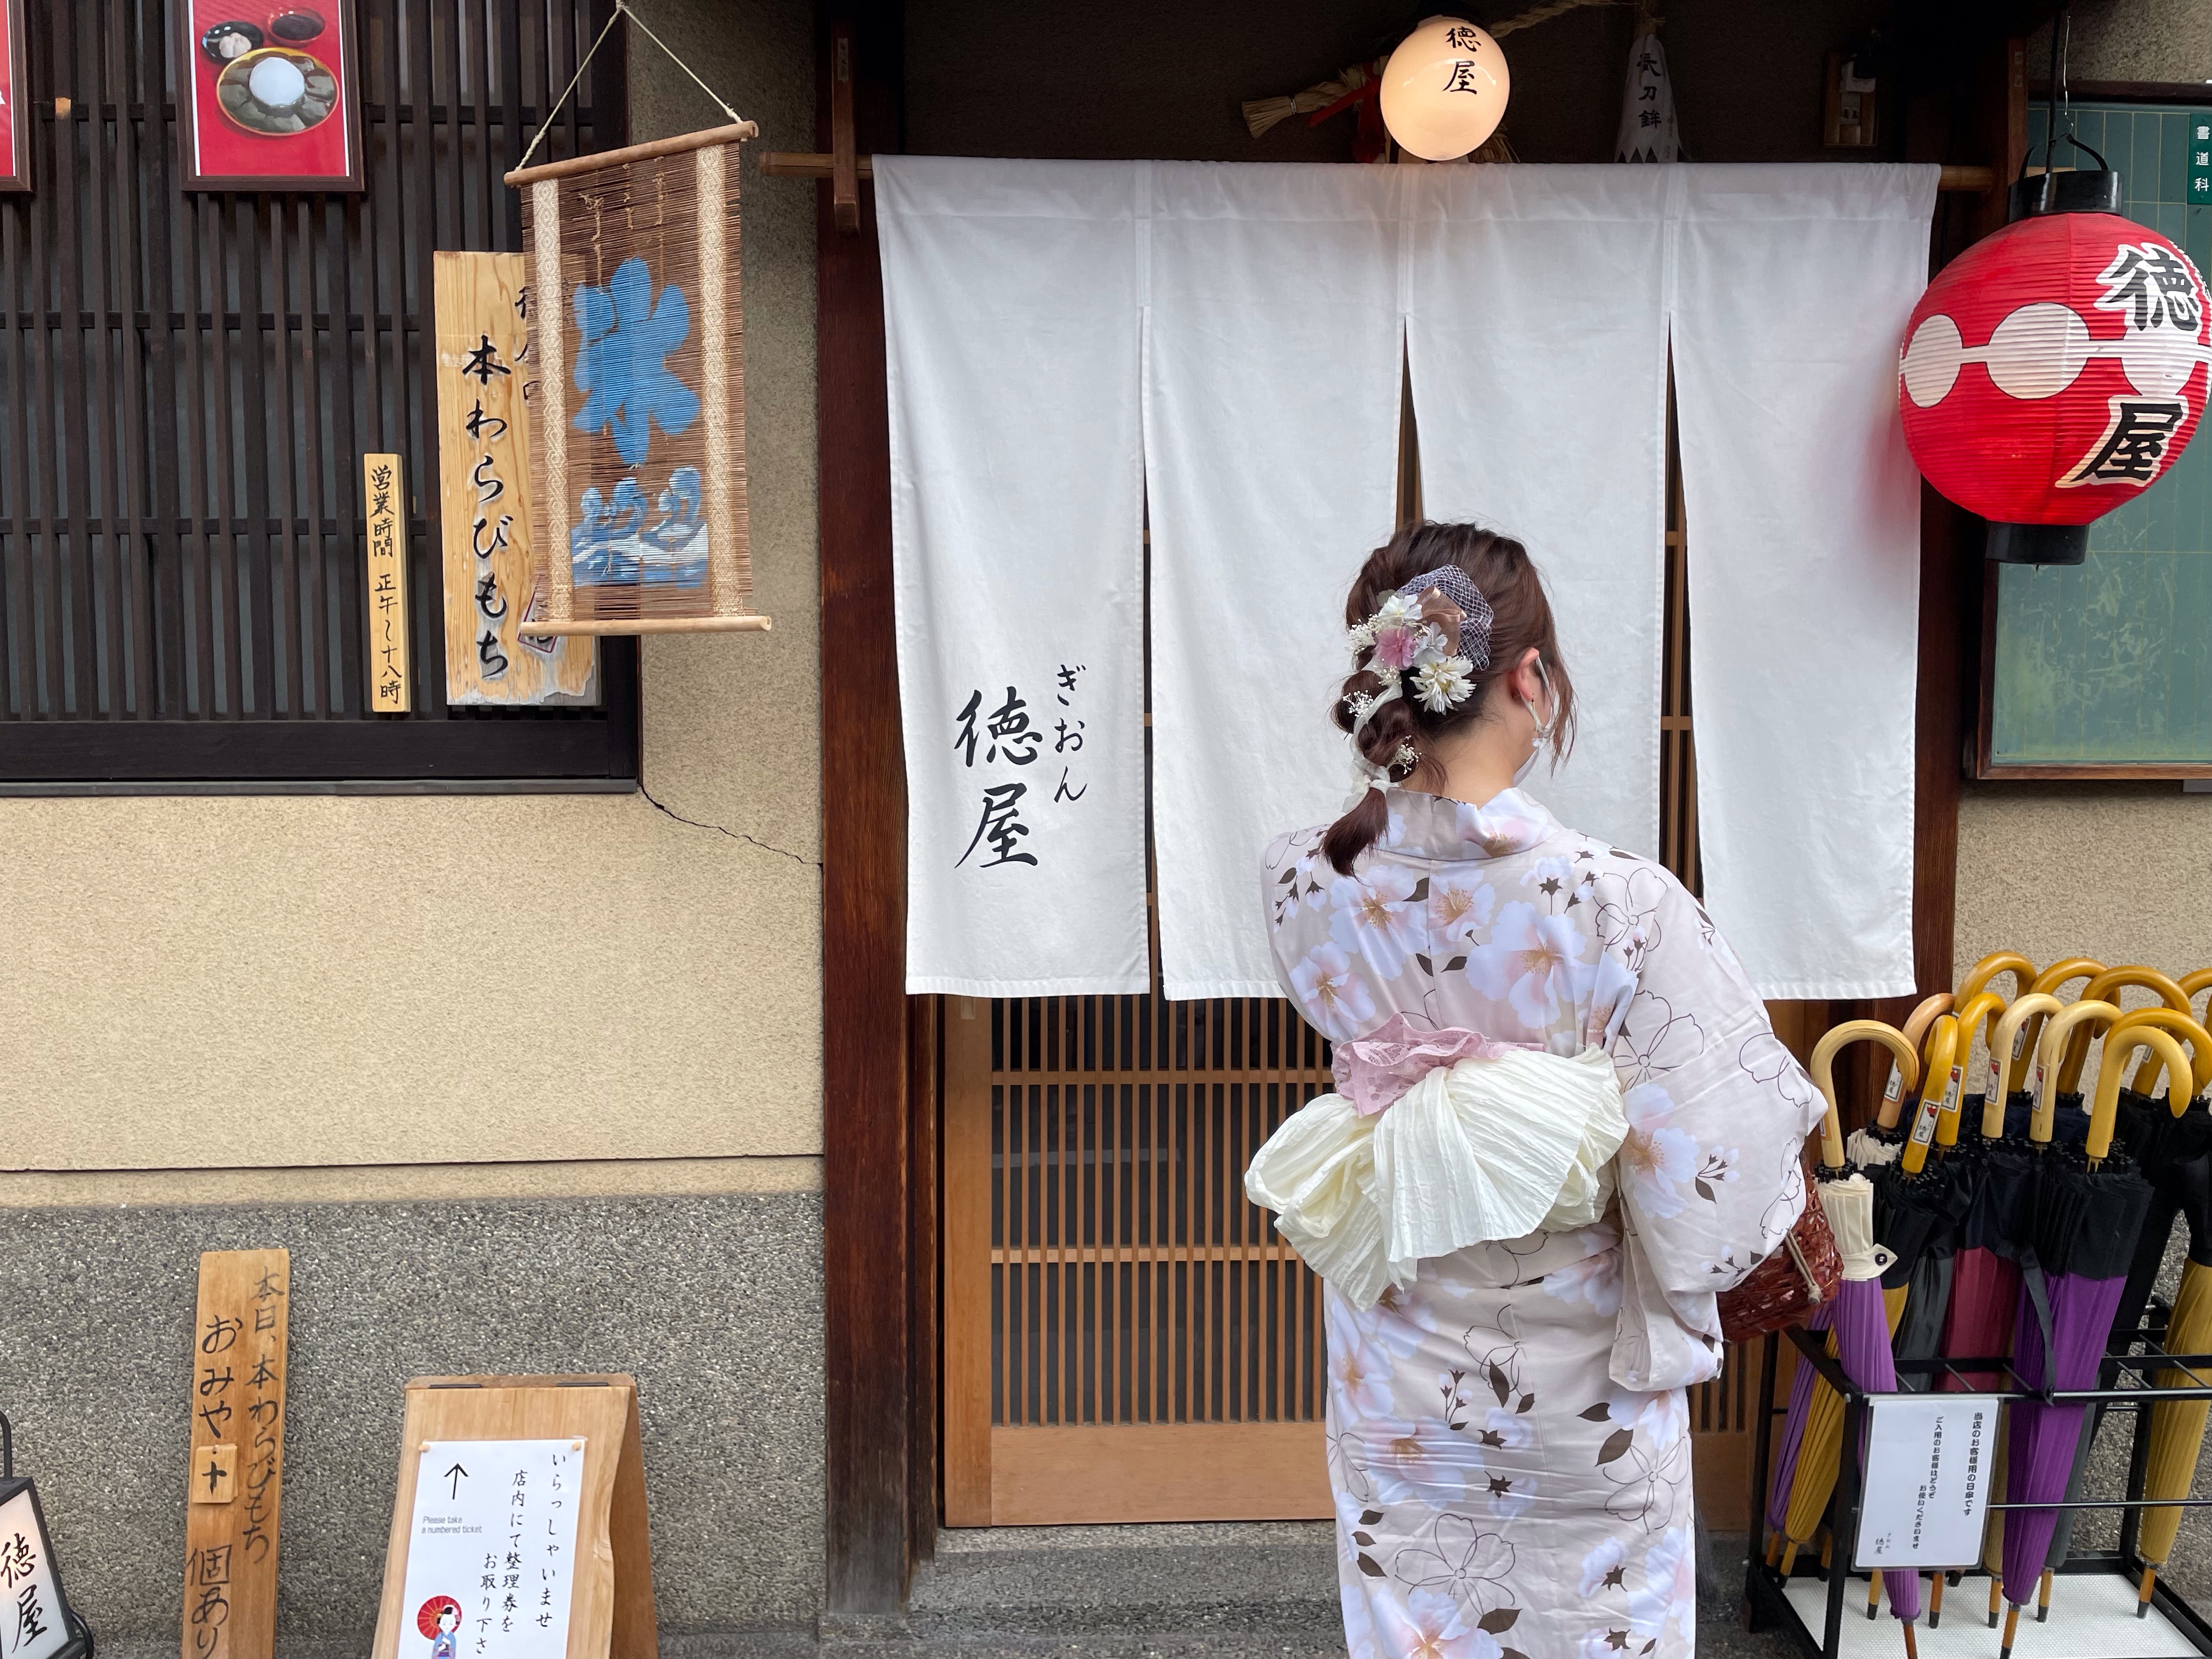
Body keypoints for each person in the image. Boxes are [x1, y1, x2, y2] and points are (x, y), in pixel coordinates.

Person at [1245, 522, 1821, 1659]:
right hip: (1577, 1370)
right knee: (1592, 1623)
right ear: (1530, 680)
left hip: (1397, 1348)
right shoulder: (1616, 901)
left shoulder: (1303, 880)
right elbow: (1715, 1139)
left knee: (1420, 1615)